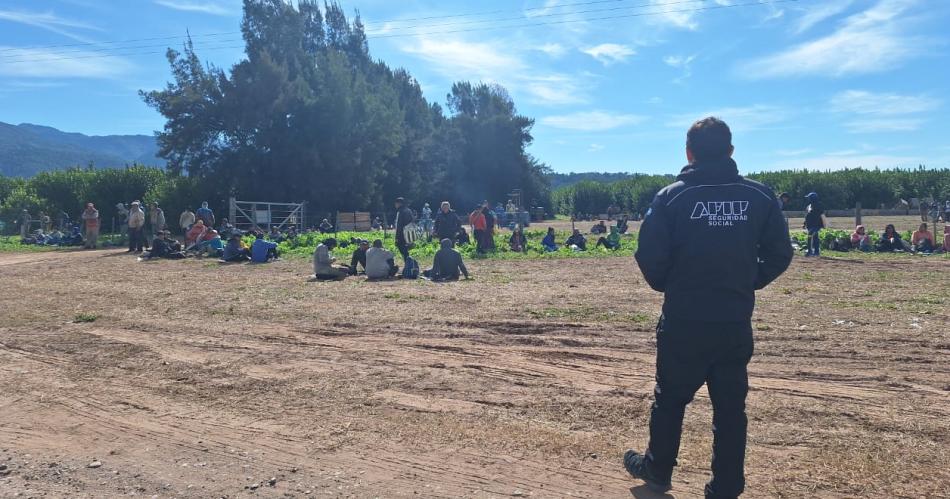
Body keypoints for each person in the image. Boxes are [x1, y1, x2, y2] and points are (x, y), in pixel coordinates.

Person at [627, 117, 792, 498]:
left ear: (688, 153)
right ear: (731, 152)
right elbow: (780, 254)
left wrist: (672, 285)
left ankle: (658, 470)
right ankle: (727, 485)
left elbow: (649, 254)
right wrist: (747, 281)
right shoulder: (760, 197)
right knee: (731, 408)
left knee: (670, 398)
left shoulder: (671, 197)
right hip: (733, 319)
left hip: (684, 318)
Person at [803, 192, 826, 257]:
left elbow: (822, 215)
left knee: (810, 236)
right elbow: (807, 216)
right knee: (815, 238)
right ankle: (816, 252)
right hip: (810, 225)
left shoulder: (818, 205)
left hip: (816, 225)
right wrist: (805, 224)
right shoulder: (809, 206)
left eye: (809, 198)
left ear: (813, 199)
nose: (808, 199)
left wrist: (824, 224)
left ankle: (810, 252)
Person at [394, 197, 414, 263]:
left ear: (399, 203)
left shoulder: (401, 211)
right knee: (405, 250)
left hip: (402, 234)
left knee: (403, 250)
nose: (395, 205)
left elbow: (399, 225)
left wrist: (397, 237)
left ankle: (408, 263)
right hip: (409, 233)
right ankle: (408, 263)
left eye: (396, 203)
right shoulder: (408, 210)